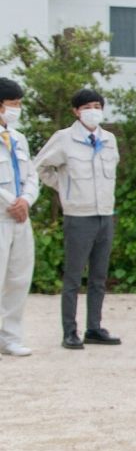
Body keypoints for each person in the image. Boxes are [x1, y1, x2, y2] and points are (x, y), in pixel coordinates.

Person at [34, 88, 121, 350]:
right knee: (73, 277)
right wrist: (66, 187)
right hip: (78, 216)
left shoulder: (109, 139)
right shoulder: (64, 139)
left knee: (98, 277)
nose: (93, 111)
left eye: (97, 105)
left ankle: (94, 327)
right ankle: (69, 331)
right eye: (87, 107)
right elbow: (40, 167)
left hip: (105, 214)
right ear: (76, 111)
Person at [0, 78, 39, 358]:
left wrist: (25, 199)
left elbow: (32, 175)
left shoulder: (18, 137)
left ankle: (10, 337)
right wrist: (10, 202)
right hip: (2, 216)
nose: (17, 109)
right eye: (13, 104)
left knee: (18, 279)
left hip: (20, 218)